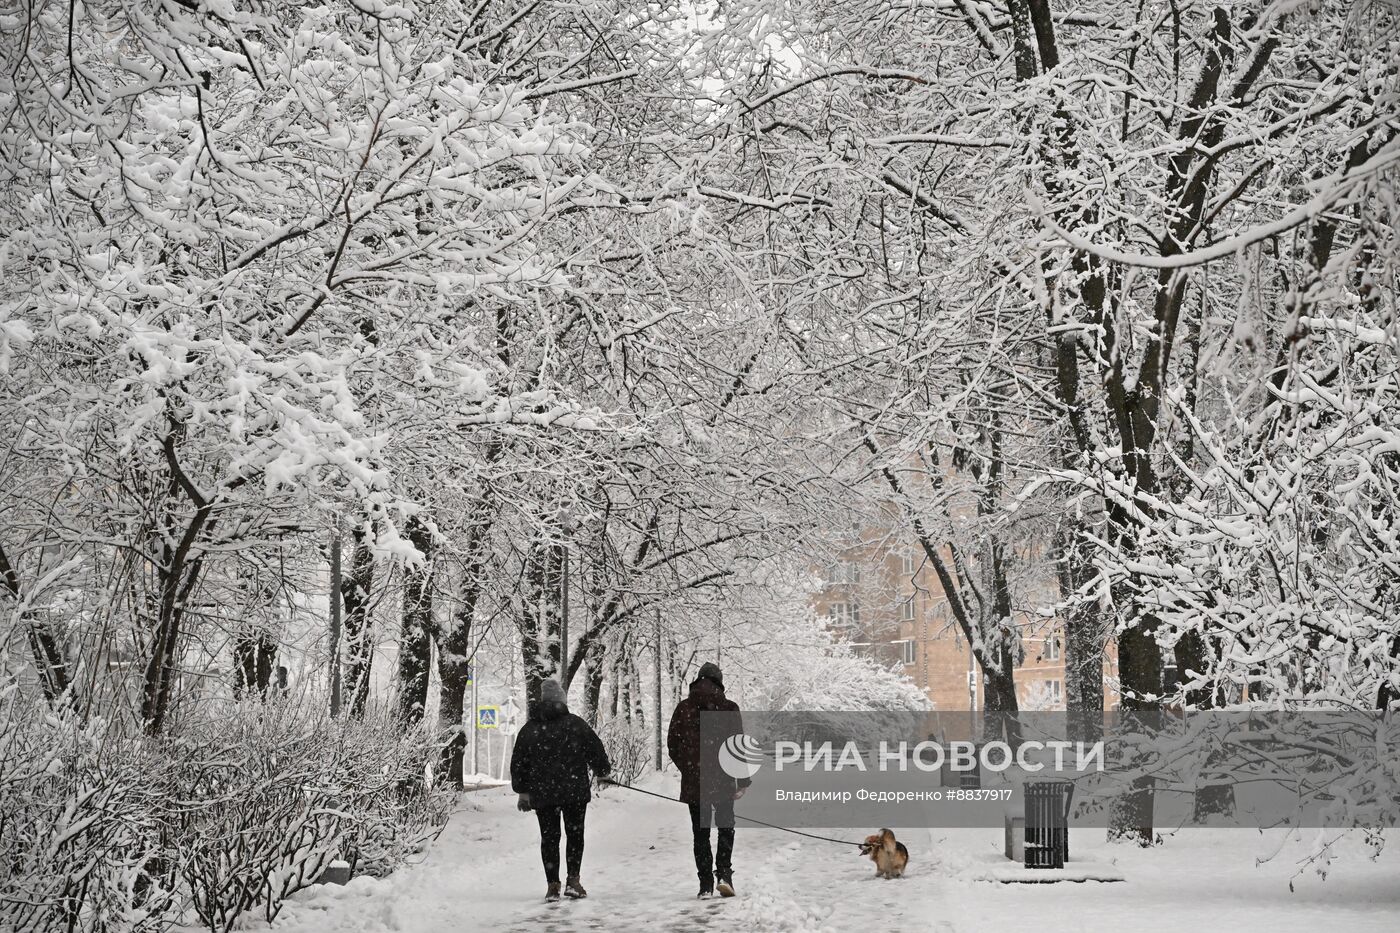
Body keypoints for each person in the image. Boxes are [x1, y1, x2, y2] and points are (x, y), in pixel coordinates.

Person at [510, 677, 611, 901]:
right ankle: (573, 881)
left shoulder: (530, 729)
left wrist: (522, 791)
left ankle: (553, 886)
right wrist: (603, 772)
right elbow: (595, 749)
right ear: (562, 701)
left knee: (549, 838)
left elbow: (518, 762)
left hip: (543, 794)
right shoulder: (575, 724)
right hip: (574, 791)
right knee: (575, 836)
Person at [667, 661, 750, 898]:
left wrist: (689, 769)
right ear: (719, 682)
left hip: (696, 782)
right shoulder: (729, 708)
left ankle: (704, 884)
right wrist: (743, 780)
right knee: (726, 827)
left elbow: (672, 744)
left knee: (700, 833)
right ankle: (724, 874)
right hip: (723, 779)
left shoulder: (684, 708)